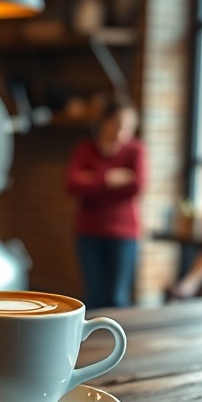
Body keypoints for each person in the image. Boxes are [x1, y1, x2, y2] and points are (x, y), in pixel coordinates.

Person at [66, 96, 147, 309]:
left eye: (129, 127)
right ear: (105, 122)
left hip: (124, 233)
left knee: (117, 297)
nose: (123, 132)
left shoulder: (135, 150)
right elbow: (72, 184)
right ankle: (93, 342)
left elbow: (138, 185)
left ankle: (118, 340)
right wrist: (109, 178)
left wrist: (92, 180)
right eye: (119, 125)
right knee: (94, 296)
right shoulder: (85, 149)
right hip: (88, 231)